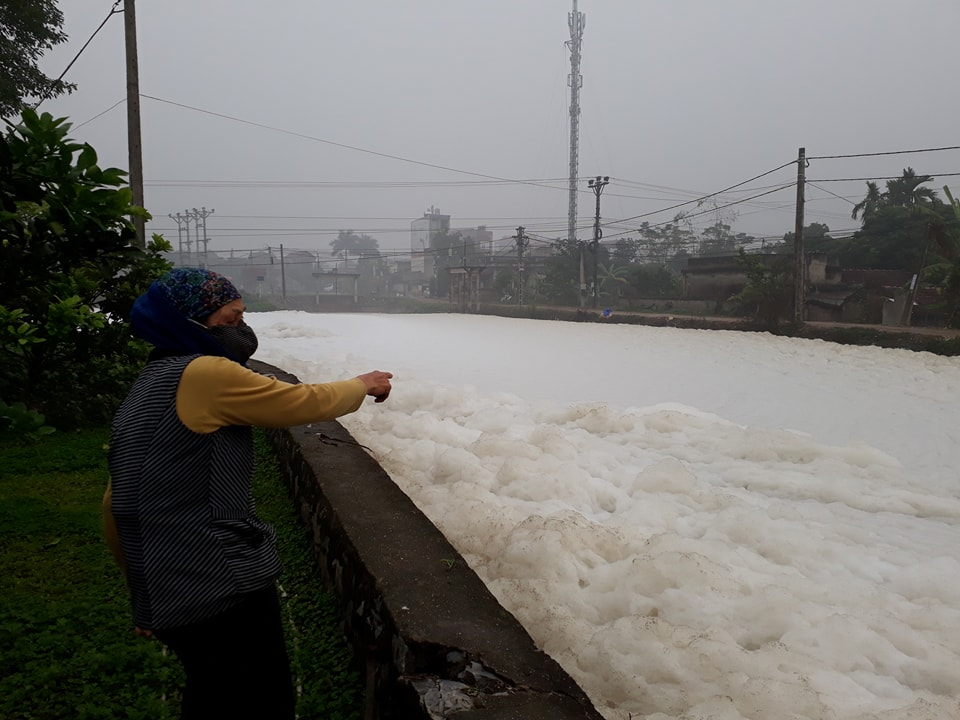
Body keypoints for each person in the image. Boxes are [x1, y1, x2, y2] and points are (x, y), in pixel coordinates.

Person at [102, 267, 392, 719]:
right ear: (195, 319)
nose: (242, 329)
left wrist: (145, 591)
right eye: (232, 318)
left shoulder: (152, 382)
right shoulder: (204, 373)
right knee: (261, 700)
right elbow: (295, 401)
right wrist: (362, 385)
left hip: (172, 583)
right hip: (217, 578)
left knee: (214, 692)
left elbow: (118, 499)